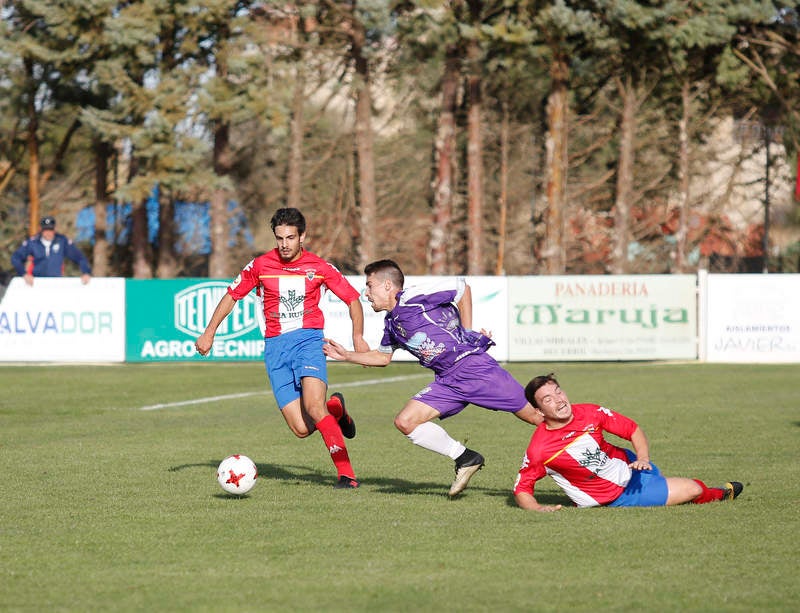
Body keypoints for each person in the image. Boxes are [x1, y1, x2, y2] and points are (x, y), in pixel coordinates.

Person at [323, 259, 543, 497]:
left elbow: (462, 288)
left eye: (369, 286)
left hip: (474, 369)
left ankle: (572, 455)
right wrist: (347, 355)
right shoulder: (392, 323)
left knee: (537, 417)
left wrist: (467, 332)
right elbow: (382, 357)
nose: (366, 293)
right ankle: (466, 458)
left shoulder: (412, 298)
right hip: (447, 381)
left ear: (387, 285)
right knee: (406, 421)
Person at [195, 207, 369, 489]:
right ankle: (336, 412)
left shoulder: (320, 267)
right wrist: (209, 332)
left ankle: (346, 475)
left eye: (290, 237)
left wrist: (358, 337)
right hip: (276, 349)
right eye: (280, 238)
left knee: (314, 407)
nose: (285, 244)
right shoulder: (259, 266)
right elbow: (231, 296)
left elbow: (352, 299)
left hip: (308, 341)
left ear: (302, 236)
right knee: (301, 429)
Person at [513, 373, 744, 511]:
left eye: (558, 392)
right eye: (548, 399)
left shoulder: (590, 412)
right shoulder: (540, 448)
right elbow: (522, 488)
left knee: (665, 480)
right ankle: (719, 494)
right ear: (539, 411)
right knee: (693, 489)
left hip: (631, 465)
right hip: (618, 496)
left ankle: (666, 486)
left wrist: (643, 458)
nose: (559, 401)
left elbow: (632, 429)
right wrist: (537, 508)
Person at [11, 216, 92, 286]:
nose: (48, 233)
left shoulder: (62, 241)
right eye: (45, 230)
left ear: (54, 229)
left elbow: (80, 257)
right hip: (36, 282)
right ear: (41, 230)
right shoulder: (33, 242)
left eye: (50, 230)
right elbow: (15, 258)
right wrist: (24, 274)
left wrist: (86, 272)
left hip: (56, 282)